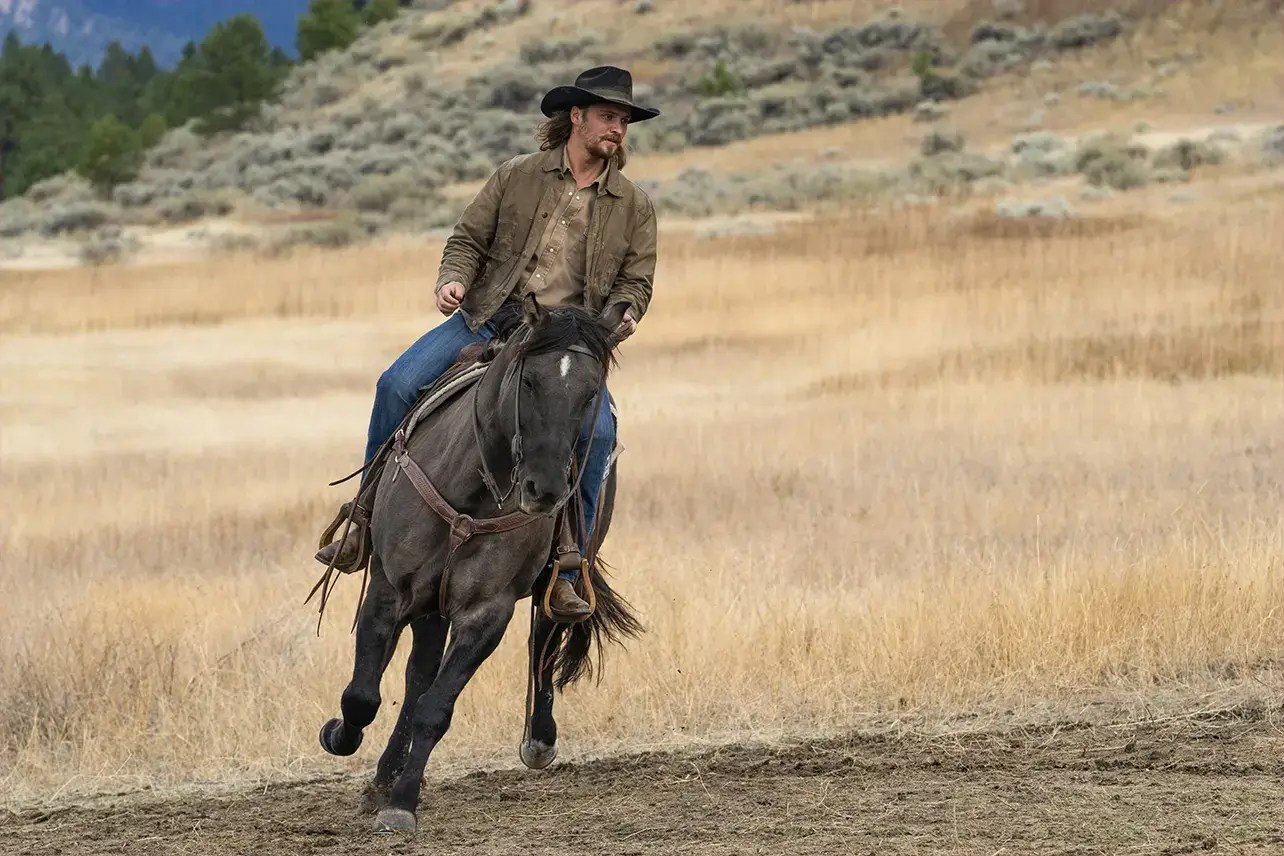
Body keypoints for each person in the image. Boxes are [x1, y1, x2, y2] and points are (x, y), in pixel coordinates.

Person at [315, 66, 660, 622]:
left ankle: (569, 569)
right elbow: (468, 239)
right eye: (607, 117)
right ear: (576, 117)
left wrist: (623, 314)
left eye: (623, 120)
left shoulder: (634, 205)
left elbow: (635, 280)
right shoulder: (516, 176)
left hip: (565, 345)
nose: (617, 128)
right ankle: (363, 516)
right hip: (487, 316)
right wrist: (451, 278)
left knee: (597, 439)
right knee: (396, 384)